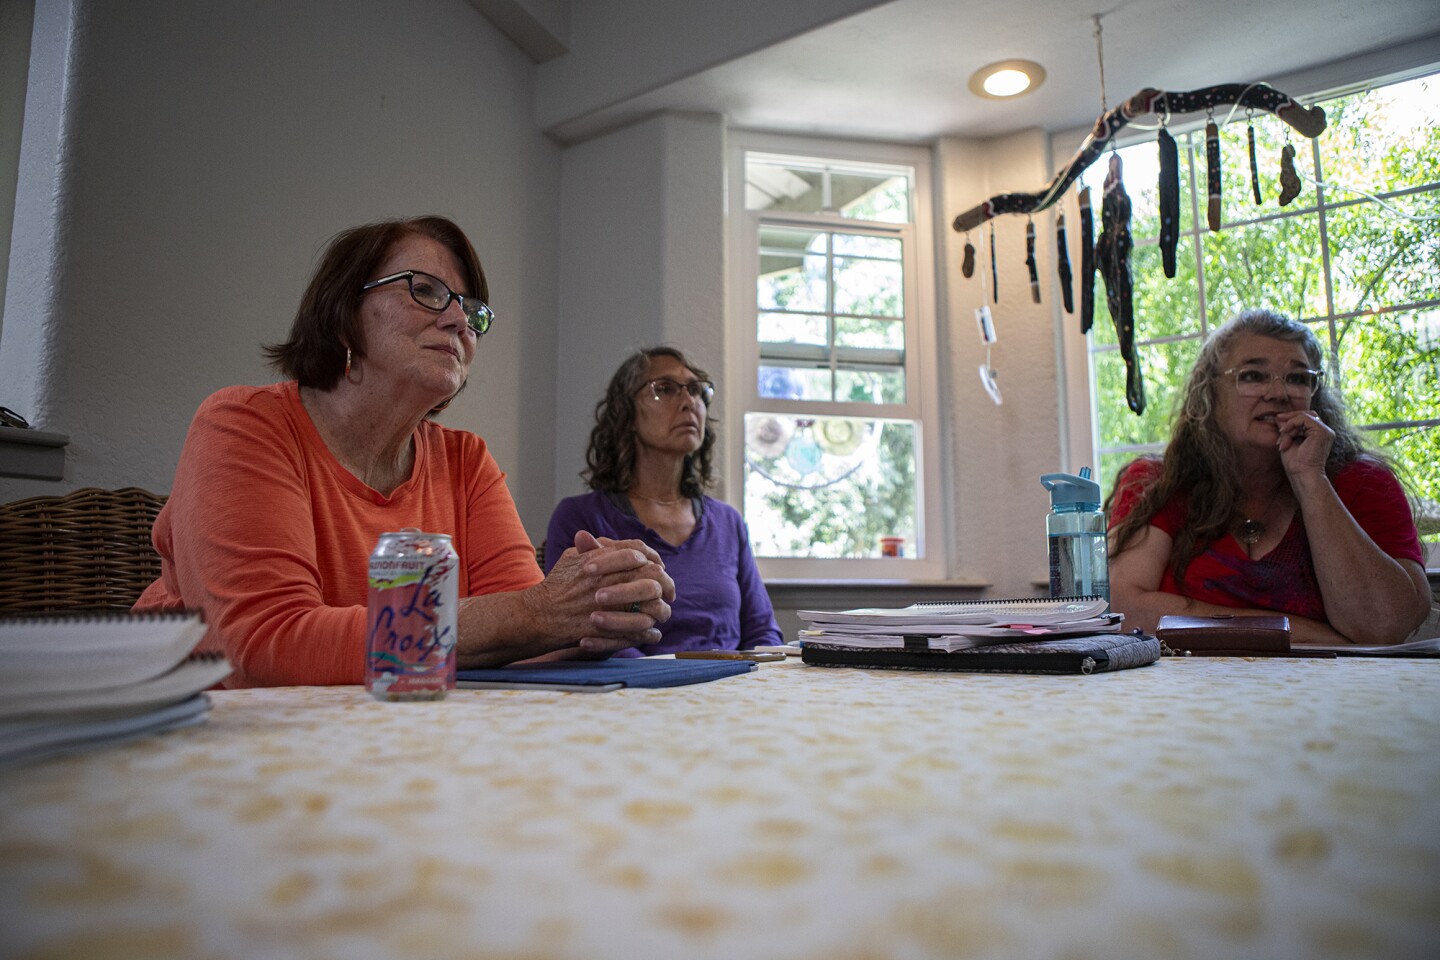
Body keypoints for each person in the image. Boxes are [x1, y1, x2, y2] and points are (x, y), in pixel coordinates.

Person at [134, 216, 673, 686]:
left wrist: (599, 609)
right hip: (201, 739)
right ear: (345, 308)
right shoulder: (245, 426)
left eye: (471, 309)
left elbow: (522, 632)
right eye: (427, 290)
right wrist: (538, 613)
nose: (459, 320)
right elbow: (265, 642)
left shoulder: (466, 463)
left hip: (391, 735)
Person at [1107, 308, 1430, 645]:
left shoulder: (1363, 482)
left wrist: (1310, 478)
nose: (1278, 393)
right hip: (1186, 694)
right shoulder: (1160, 482)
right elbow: (1125, 607)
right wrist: (1306, 633)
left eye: (1297, 377)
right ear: (1210, 395)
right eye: (1252, 376)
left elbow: (1386, 625)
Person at [545, 346, 782, 656]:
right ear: (626, 414)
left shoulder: (728, 521)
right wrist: (668, 686)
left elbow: (762, 631)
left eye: (696, 391)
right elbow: (580, 631)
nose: (689, 402)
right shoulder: (580, 517)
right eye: (666, 389)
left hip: (732, 689)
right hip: (635, 695)